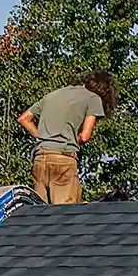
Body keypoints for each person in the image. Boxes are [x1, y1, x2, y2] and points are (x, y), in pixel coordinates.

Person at [18, 72, 114, 205]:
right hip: (63, 161)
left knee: (41, 215)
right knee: (65, 215)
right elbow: (85, 136)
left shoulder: (53, 95)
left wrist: (43, 138)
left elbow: (24, 119)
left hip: (40, 160)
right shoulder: (93, 98)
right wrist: (72, 141)